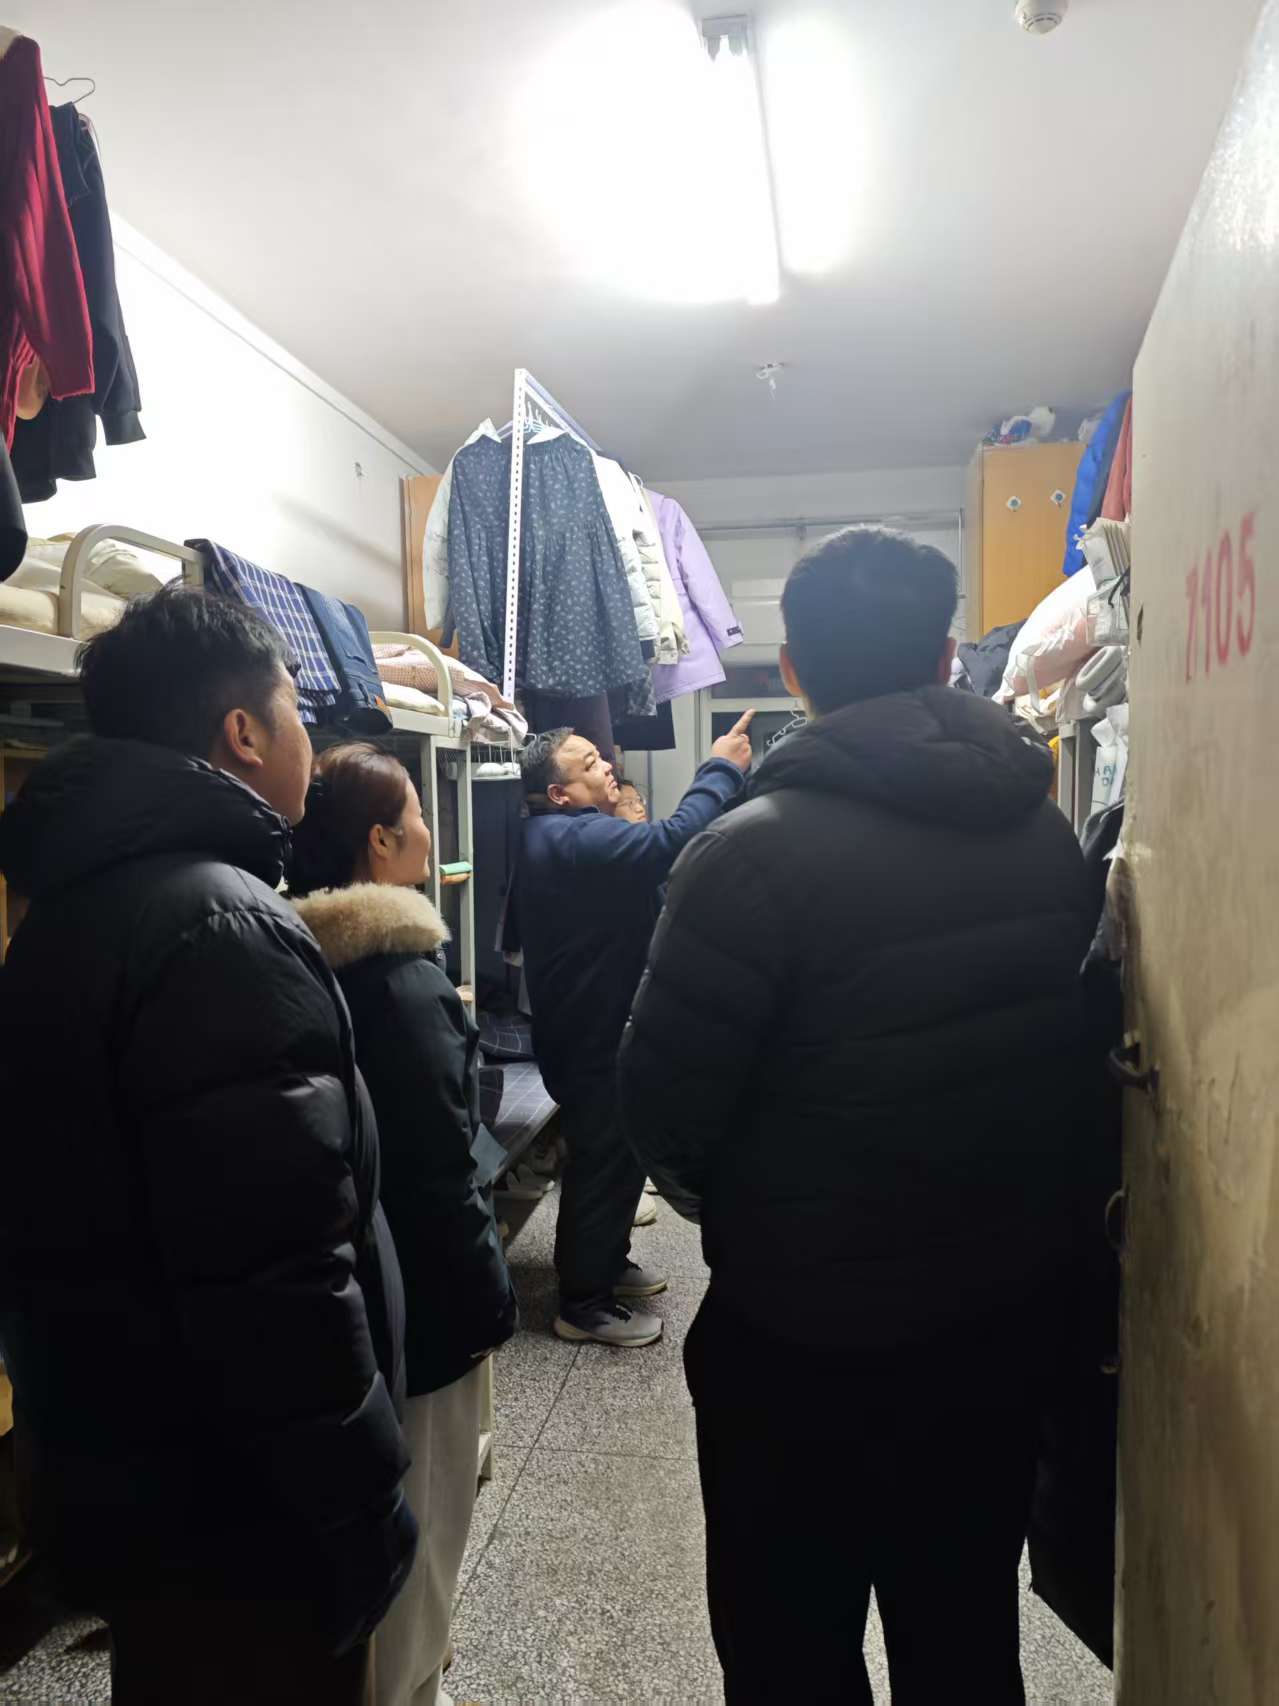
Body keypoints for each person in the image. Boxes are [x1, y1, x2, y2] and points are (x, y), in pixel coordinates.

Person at [619, 527, 1100, 1705]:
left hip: (800, 1341)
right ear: (944, 657)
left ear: (792, 669)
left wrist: (768, 1215)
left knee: (790, 1649)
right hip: (993, 1326)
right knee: (963, 1635)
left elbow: (663, 1113)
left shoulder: (742, 858)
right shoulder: (1042, 835)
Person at [0, 587, 416, 1706]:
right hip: (242, 1506)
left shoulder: (76, 904)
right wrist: (353, 1508)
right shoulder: (222, 924)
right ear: (243, 731)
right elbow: (278, 1274)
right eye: (296, 710)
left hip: (134, 1459)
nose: (308, 739)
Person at [289, 742, 518, 1706]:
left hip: (358, 1294)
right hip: (425, 1301)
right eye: (419, 814)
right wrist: (489, 1303)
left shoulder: (300, 960)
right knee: (428, 1513)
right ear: (381, 843)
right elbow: (439, 1173)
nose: (430, 830)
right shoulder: (402, 981)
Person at [514, 717, 754, 1347]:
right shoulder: (569, 836)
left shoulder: (565, 834)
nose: (606, 766)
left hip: (593, 1029)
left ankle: (606, 1264)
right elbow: (670, 842)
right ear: (559, 793)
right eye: (588, 763)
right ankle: (582, 1304)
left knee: (619, 1157)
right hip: (592, 1037)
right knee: (602, 1163)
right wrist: (720, 768)